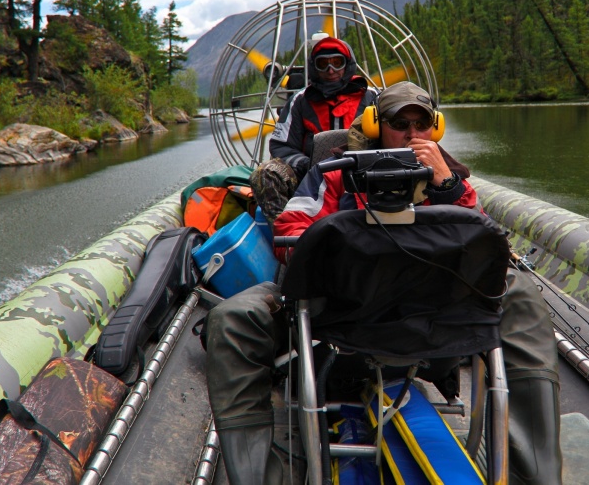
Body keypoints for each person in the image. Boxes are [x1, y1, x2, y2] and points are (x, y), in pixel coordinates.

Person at [206, 82, 563, 485]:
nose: (412, 133)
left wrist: (447, 187)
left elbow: (483, 240)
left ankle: (534, 476)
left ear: (436, 128)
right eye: (399, 123)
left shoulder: (451, 177)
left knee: (519, 293)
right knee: (233, 318)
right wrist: (339, 243)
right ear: (378, 126)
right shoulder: (336, 171)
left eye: (421, 123)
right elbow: (291, 228)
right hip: (341, 313)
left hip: (434, 317)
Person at [250, 35, 377, 224]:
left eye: (337, 62)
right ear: (314, 67)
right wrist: (306, 165)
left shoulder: (372, 98)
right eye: (323, 64)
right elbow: (281, 146)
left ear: (348, 64)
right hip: (308, 176)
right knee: (264, 174)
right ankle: (289, 237)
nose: (331, 69)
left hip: (363, 175)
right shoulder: (300, 101)